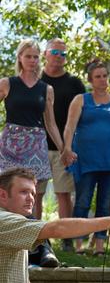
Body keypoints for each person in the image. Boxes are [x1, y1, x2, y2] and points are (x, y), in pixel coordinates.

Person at [62, 59, 110, 256]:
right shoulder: (81, 100)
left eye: (104, 76)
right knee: (83, 202)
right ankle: (79, 244)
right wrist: (66, 149)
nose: (102, 80)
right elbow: (70, 127)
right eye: (98, 77)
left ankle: (100, 246)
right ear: (91, 80)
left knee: (104, 204)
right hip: (85, 161)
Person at [0, 39, 64, 214]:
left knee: (33, 194)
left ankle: (36, 237)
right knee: (6, 192)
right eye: (28, 56)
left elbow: (51, 124)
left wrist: (63, 149)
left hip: (36, 146)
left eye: (35, 57)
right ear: (20, 57)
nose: (32, 60)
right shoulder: (7, 83)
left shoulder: (46, 89)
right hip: (10, 145)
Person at [37, 39, 86, 244]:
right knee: (35, 194)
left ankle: (66, 240)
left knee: (63, 194)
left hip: (63, 148)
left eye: (63, 53)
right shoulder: (34, 80)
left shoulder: (74, 83)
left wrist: (69, 147)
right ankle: (36, 239)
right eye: (55, 52)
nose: (59, 56)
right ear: (45, 54)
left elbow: (84, 115)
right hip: (36, 148)